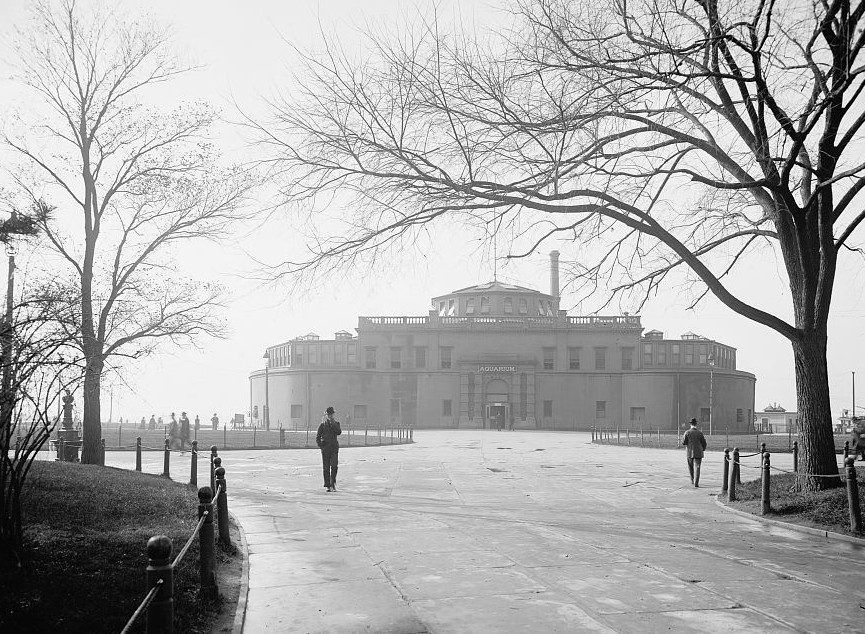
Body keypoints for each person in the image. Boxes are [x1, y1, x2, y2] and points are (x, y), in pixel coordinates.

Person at [316, 406, 342, 492]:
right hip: (326, 448)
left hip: (334, 447)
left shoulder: (336, 423)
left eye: (332, 414)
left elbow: (339, 432)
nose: (330, 416)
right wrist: (321, 446)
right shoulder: (322, 425)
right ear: (326, 415)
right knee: (326, 468)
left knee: (334, 466)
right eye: (329, 414)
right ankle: (328, 485)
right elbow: (318, 437)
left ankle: (332, 483)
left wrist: (333, 423)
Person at [682, 417, 707, 487]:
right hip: (699, 452)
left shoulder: (687, 432)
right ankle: (696, 482)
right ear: (696, 424)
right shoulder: (700, 433)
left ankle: (692, 480)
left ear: (690, 424)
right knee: (698, 467)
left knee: (690, 466)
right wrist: (703, 449)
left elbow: (684, 442)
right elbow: (704, 443)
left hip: (689, 452)